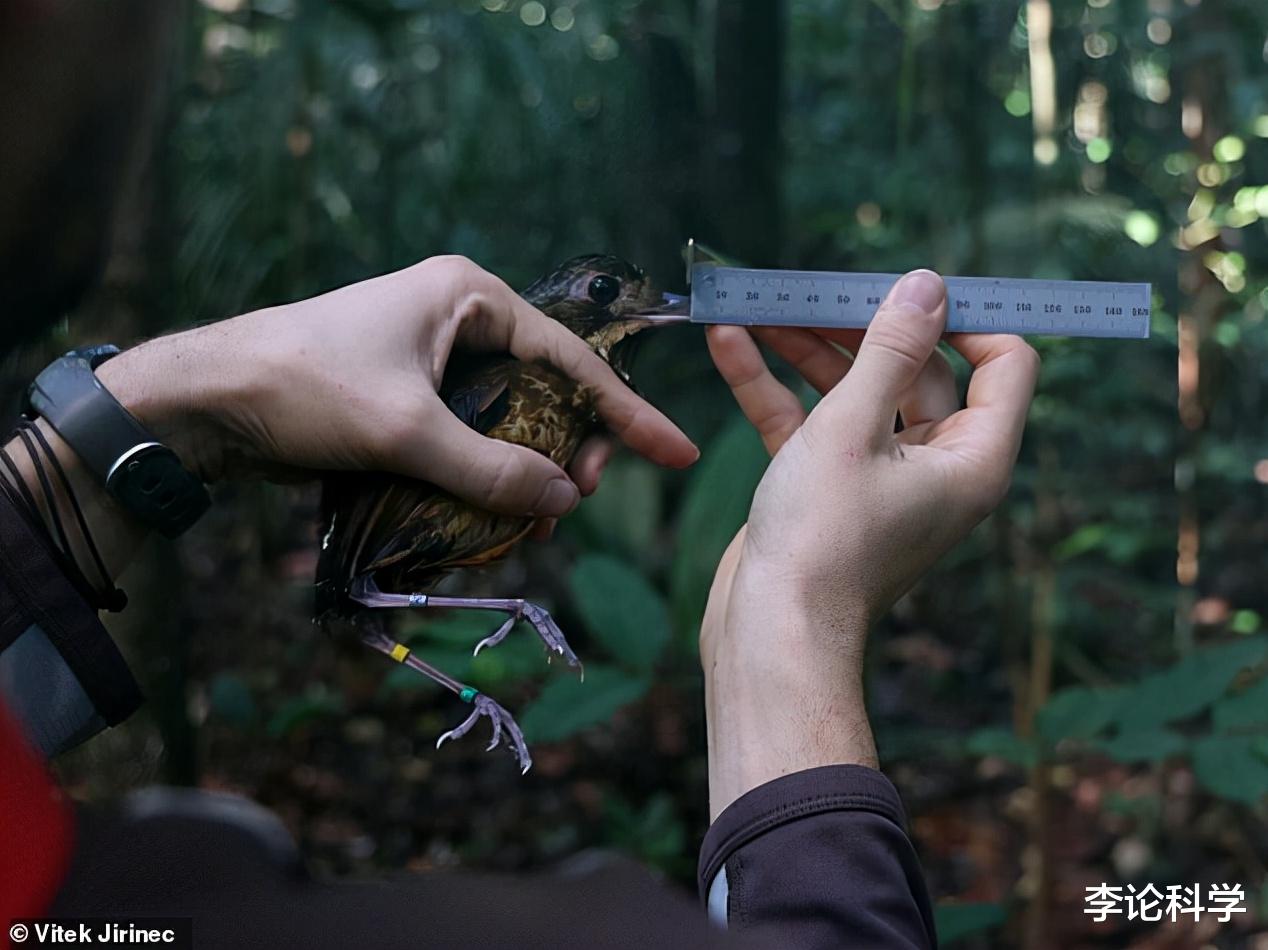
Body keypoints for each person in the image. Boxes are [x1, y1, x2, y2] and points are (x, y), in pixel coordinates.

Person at [1, 3, 1040, 947]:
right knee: (367, 600)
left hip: (344, 553)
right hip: (374, 571)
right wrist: (797, 609)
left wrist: (157, 418)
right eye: (607, 294)